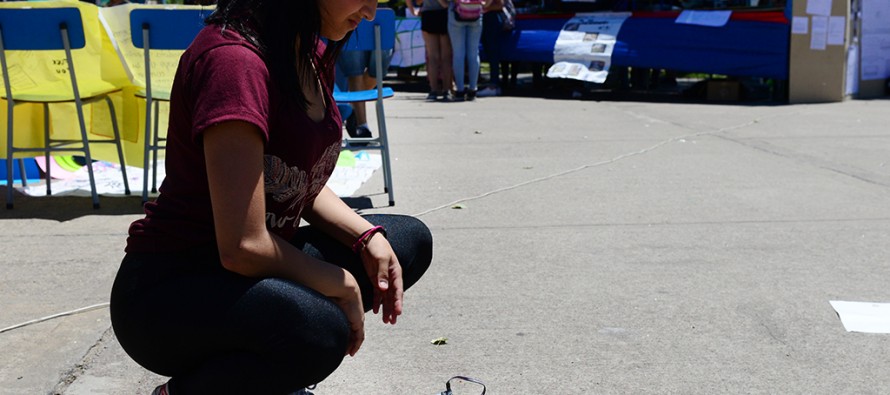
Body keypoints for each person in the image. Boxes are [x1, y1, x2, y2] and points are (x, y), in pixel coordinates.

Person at [109, 0, 433, 394]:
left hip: (248, 267)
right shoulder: (234, 62)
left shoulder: (304, 49)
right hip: (173, 288)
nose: (369, 12)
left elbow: (295, 180)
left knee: (404, 245)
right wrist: (341, 282)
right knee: (319, 331)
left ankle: (263, 376)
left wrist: (367, 237)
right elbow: (243, 247)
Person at [336, 2, 395, 139]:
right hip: (352, 9)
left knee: (376, 72)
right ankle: (362, 124)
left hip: (380, 11)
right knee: (354, 72)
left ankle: (354, 108)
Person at [407, 0, 454, 101]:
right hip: (445, 12)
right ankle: (447, 89)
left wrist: (412, 10)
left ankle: (433, 90)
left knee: (432, 56)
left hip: (428, 13)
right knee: (446, 56)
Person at [444, 0, 489, 101]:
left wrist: (446, 4)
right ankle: (473, 89)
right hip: (476, 13)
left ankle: (460, 90)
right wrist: (485, 5)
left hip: (456, 12)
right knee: (473, 52)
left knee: (458, 53)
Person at [477, 0, 512, 97]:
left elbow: (499, 5)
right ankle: (494, 83)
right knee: (490, 52)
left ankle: (494, 85)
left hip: (491, 18)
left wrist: (482, 8)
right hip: (489, 18)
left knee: (493, 52)